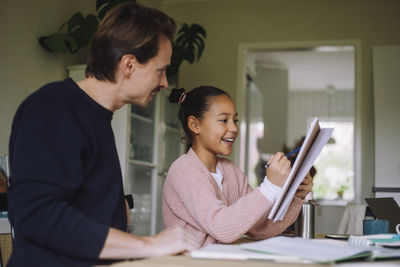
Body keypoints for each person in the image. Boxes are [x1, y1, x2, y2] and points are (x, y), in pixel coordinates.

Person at [7, 3, 199, 267]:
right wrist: (149, 244)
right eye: (160, 70)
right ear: (129, 64)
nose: (165, 83)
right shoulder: (53, 108)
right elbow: (37, 215)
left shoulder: (96, 116)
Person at [163, 86, 313, 247]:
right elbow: (221, 228)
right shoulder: (185, 169)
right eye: (223, 120)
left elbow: (260, 228)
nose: (234, 128)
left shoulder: (230, 170)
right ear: (195, 125)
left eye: (235, 120)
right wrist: (270, 187)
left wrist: (296, 195)